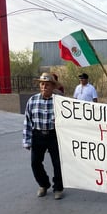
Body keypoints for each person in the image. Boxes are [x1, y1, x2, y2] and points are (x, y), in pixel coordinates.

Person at [23, 72, 64, 200]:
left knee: (57, 164)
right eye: (42, 84)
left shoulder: (59, 101)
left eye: (47, 84)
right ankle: (43, 184)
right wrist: (27, 140)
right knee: (35, 163)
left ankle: (58, 188)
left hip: (54, 135)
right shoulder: (32, 100)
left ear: (53, 87)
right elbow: (28, 120)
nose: (44, 87)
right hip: (38, 134)